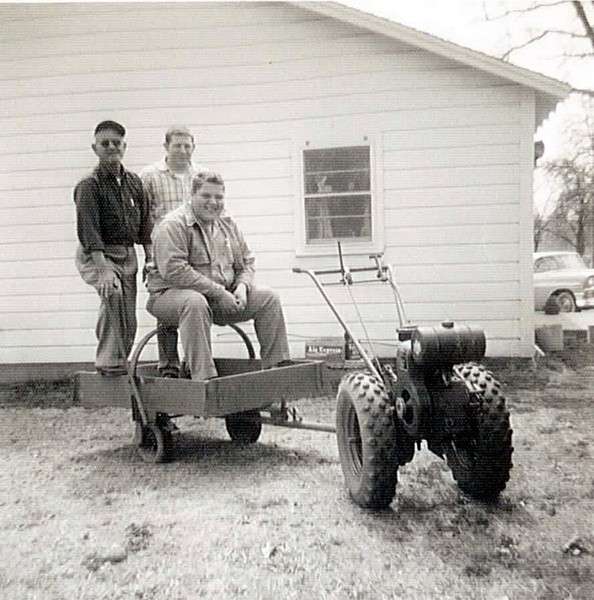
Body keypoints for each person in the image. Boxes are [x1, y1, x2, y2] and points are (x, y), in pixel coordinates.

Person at [146, 171, 290, 380]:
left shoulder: (227, 223)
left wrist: (242, 287)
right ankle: (205, 379)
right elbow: (175, 270)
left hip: (219, 299)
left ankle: (277, 374)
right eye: (206, 196)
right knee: (194, 302)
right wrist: (220, 293)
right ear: (191, 195)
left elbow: (247, 262)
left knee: (269, 298)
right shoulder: (173, 225)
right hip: (168, 298)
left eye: (219, 197)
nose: (213, 202)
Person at [74, 120, 152, 376]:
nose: (111, 147)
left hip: (127, 254)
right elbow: (89, 230)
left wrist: (150, 260)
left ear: (124, 147)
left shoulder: (134, 182)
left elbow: (145, 225)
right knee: (112, 294)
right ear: (95, 148)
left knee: (128, 314)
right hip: (98, 254)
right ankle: (107, 362)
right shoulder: (89, 185)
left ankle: (121, 362)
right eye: (104, 143)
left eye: (116, 143)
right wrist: (104, 270)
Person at [140, 125, 205, 377]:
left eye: (187, 146)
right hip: (163, 253)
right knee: (168, 306)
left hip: (196, 251)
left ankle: (195, 364)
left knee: (198, 304)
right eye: (177, 145)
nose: (183, 150)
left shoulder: (201, 175)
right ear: (166, 146)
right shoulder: (150, 176)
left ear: (194, 147)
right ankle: (169, 366)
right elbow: (144, 219)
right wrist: (149, 254)